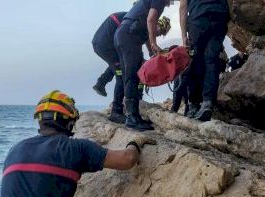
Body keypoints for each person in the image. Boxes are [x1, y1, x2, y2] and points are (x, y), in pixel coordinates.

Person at [1, 90, 156, 197]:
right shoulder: (76, 148)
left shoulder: (15, 150)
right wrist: (135, 142)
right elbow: (127, 159)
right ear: (69, 123)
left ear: (40, 120)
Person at [92, 11, 171, 124]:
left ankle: (101, 83)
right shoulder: (142, 23)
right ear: (156, 24)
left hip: (107, 42)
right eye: (160, 32)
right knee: (122, 75)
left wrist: (150, 54)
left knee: (124, 65)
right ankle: (116, 112)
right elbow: (134, 47)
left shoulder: (142, 23)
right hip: (105, 43)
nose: (159, 35)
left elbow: (141, 43)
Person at [115, 0, 171, 131]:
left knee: (128, 75)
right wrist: (154, 44)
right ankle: (132, 118)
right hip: (129, 36)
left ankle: (133, 116)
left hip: (122, 34)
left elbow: (146, 30)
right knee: (132, 76)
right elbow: (151, 20)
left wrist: (153, 53)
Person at [179, 0, 229, 121]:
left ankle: (194, 104)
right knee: (211, 60)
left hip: (199, 17)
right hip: (219, 15)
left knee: (196, 61)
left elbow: (183, 7)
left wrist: (184, 36)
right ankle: (207, 103)